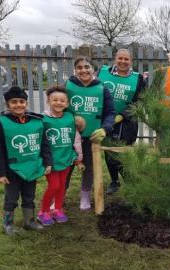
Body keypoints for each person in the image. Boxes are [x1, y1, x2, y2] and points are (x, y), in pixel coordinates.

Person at [0, 86, 52, 235]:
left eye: (21, 101)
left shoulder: (36, 122)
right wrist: (0, 173)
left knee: (29, 195)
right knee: (11, 197)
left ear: (26, 103)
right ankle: (7, 224)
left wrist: (48, 162)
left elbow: (44, 143)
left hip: (31, 166)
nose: (18, 105)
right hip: (11, 169)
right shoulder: (1, 123)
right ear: (7, 105)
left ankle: (29, 221)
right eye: (14, 102)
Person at [65, 56, 115, 211]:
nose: (83, 70)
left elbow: (110, 112)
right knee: (65, 166)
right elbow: (57, 106)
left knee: (88, 167)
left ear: (93, 70)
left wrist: (105, 128)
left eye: (87, 67)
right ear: (75, 70)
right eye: (79, 67)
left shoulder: (102, 87)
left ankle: (85, 196)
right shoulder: (67, 86)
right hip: (69, 135)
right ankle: (60, 194)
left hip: (91, 135)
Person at [97, 49, 145, 195]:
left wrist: (121, 116)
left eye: (126, 59)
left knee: (124, 152)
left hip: (127, 122)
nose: (123, 62)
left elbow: (140, 101)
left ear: (131, 61)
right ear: (115, 59)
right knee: (109, 151)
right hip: (105, 121)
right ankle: (114, 181)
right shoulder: (102, 73)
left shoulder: (138, 78)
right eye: (120, 58)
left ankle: (130, 180)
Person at [37, 86, 84, 225]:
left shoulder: (70, 118)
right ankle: (43, 211)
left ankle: (57, 209)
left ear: (67, 103)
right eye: (55, 100)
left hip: (66, 158)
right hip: (51, 161)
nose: (58, 103)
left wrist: (78, 157)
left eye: (62, 100)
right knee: (54, 186)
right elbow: (39, 142)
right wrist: (43, 161)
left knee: (62, 186)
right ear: (48, 101)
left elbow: (75, 138)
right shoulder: (43, 119)